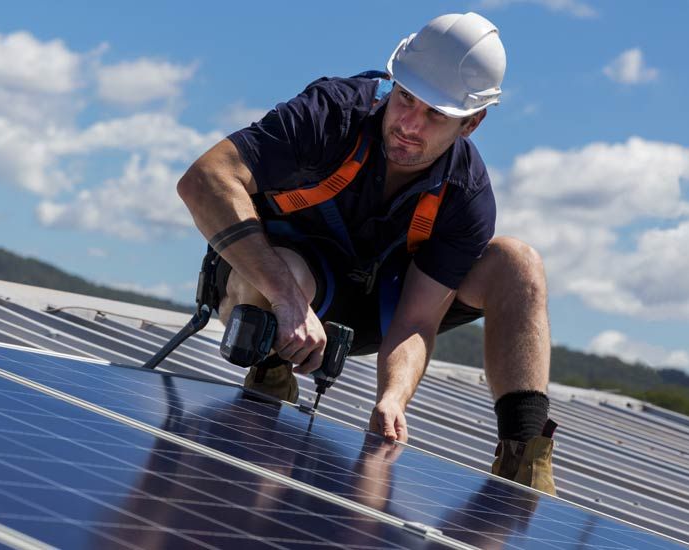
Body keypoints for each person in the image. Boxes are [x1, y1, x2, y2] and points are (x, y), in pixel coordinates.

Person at [176, 12, 557, 494]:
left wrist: (393, 399)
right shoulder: (331, 114)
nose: (409, 125)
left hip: (381, 309)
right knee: (288, 274)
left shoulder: (465, 195)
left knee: (517, 264)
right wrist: (288, 299)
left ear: (472, 123)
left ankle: (524, 466)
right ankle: (271, 372)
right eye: (405, 100)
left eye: (435, 115)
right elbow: (204, 179)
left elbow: (417, 321)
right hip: (283, 288)